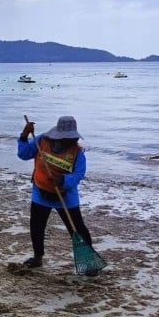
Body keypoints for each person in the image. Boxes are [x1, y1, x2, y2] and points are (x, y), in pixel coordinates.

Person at [17, 115, 94, 268]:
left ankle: (89, 262)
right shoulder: (41, 141)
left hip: (66, 197)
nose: (72, 141)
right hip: (41, 193)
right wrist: (24, 135)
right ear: (59, 136)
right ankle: (38, 258)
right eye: (68, 138)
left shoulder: (77, 152)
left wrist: (62, 180)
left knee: (77, 229)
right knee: (37, 227)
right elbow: (23, 154)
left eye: (73, 138)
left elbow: (79, 174)